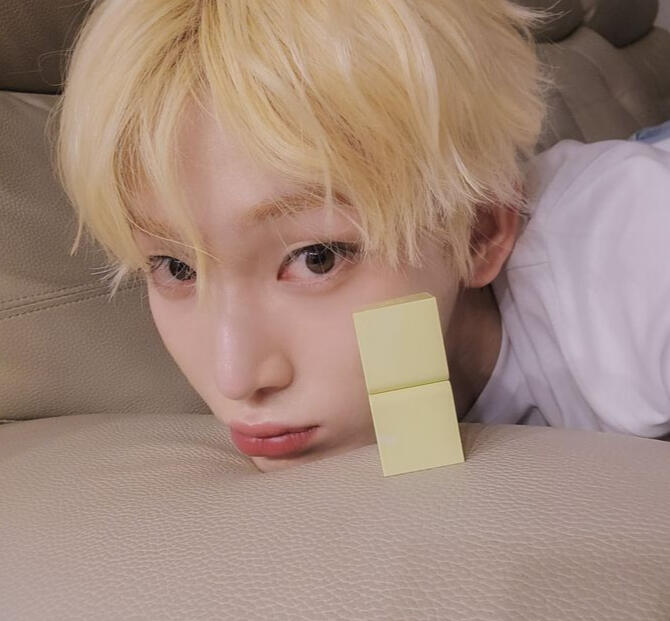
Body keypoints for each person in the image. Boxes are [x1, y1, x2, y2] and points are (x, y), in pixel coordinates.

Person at [52, 0, 670, 473]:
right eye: (176, 268)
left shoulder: (637, 259)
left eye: (316, 258)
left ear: (480, 232)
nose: (235, 376)